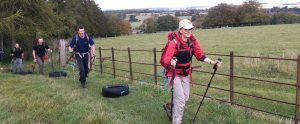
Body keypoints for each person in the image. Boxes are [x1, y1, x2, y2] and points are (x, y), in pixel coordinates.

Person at [161, 19, 221, 124]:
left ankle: (170, 107)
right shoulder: (173, 43)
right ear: (180, 30)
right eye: (186, 29)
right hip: (174, 74)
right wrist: (172, 61)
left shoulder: (192, 42)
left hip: (185, 74)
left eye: (191, 29)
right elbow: (166, 59)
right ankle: (176, 121)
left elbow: (199, 54)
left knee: (185, 98)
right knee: (180, 101)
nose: (189, 31)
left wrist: (212, 62)